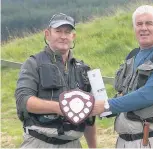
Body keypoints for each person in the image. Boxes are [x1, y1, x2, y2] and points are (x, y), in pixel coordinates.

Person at [91, 5, 153, 148]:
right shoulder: (133, 56)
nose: (143, 28)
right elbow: (124, 93)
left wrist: (106, 106)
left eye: (149, 23)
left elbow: (148, 95)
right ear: (134, 28)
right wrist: (96, 108)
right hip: (124, 141)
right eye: (139, 24)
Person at [15, 13, 96, 148]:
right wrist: (61, 108)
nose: (63, 36)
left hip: (73, 144)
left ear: (73, 36)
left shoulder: (83, 70)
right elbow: (23, 100)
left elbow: (90, 117)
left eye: (67, 32)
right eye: (58, 31)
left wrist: (93, 147)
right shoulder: (33, 63)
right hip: (39, 143)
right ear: (47, 34)